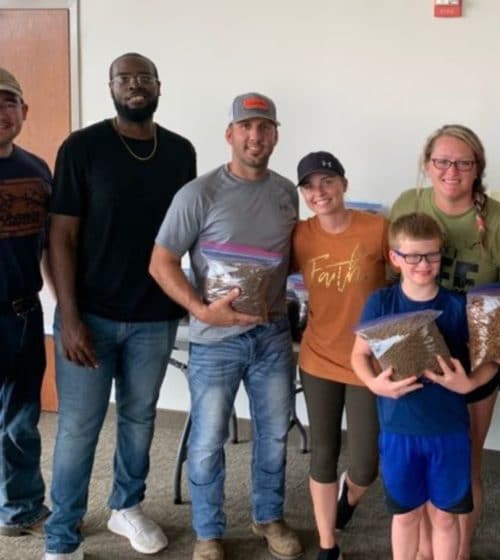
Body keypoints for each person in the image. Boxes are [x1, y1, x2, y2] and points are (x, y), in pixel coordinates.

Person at [45, 53, 197, 559]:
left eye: (144, 77)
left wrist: (193, 297)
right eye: (124, 78)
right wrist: (68, 317)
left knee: (139, 418)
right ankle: (62, 534)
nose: (135, 85)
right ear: (110, 87)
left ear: (159, 85)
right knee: (78, 427)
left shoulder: (180, 152)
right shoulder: (82, 148)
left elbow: (188, 231)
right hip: (89, 315)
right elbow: (61, 236)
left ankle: (126, 506)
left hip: (154, 317)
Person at [149, 92, 303, 560]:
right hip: (216, 341)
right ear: (230, 134)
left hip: (272, 335)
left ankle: (268, 518)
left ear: (275, 135)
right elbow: (161, 262)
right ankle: (208, 532)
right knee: (207, 440)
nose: (256, 136)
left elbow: (291, 259)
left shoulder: (285, 192)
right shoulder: (198, 194)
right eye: (246, 127)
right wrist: (199, 310)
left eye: (265, 127)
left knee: (274, 434)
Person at [390, 124, 500, 559]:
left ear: (478, 169)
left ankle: (458, 552)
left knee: (463, 462)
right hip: (417, 354)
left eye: (463, 162)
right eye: (441, 161)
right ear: (427, 165)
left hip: (476, 361)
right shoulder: (408, 204)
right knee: (421, 463)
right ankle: (424, 552)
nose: (451, 171)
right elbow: (393, 273)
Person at [351, 212, 498, 560]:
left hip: (448, 430)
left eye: (432, 255)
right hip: (398, 429)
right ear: (395, 258)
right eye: (413, 256)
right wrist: (374, 384)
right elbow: (358, 355)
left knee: (445, 519)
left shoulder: (457, 306)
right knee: (405, 517)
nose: (423, 264)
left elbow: (492, 362)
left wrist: (469, 384)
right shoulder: (381, 303)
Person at [292, 151, 388, 560]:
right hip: (318, 358)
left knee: (365, 465)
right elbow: (270, 274)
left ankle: (347, 498)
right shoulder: (300, 235)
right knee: (323, 453)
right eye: (309, 186)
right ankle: (328, 544)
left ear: (344, 184)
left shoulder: (377, 229)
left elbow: (408, 278)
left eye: (327, 182)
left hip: (367, 361)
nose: (319, 192)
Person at [0, 67, 52, 540]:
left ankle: (21, 508)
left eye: (8, 102)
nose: (1, 112)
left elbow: (52, 245)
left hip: (23, 314)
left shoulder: (37, 171)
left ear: (23, 111)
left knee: (20, 420)